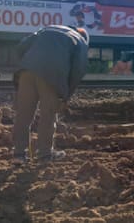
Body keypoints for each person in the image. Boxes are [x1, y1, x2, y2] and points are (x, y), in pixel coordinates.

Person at [12, 25, 89, 164]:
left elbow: (20, 47)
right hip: (52, 76)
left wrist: (26, 64)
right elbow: (78, 71)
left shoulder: (48, 29)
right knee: (48, 115)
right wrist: (65, 96)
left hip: (26, 71)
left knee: (23, 114)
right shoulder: (80, 41)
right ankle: (44, 155)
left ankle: (18, 155)